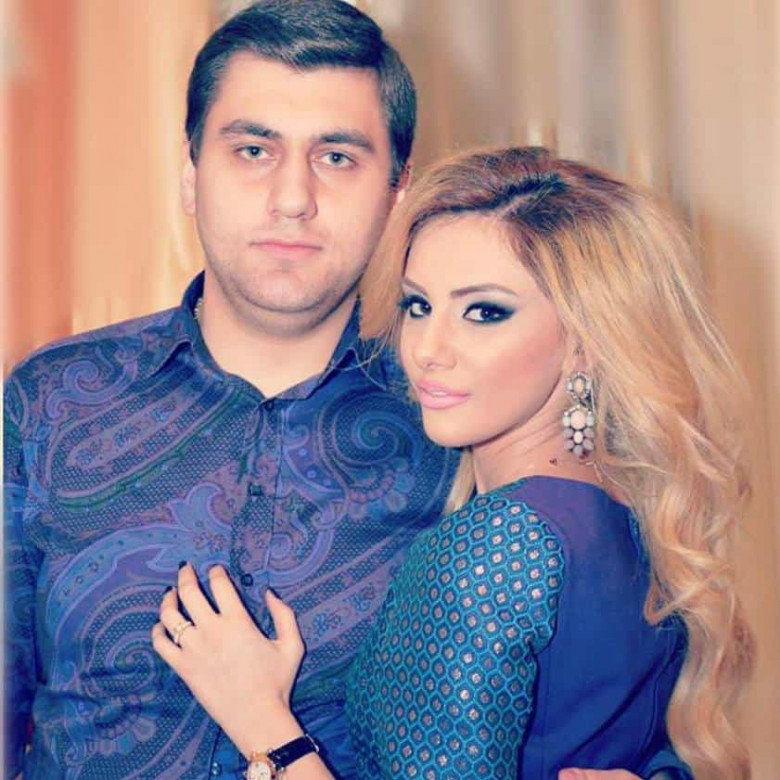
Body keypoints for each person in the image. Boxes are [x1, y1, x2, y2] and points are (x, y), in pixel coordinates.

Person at [3, 0, 689, 776]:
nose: (292, 197)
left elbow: (622, 691)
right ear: (192, 177)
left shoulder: (468, 414)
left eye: (336, 157)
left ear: (397, 194)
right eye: (253, 150)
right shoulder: (52, 399)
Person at [152, 148, 753, 779]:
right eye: (418, 306)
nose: (427, 349)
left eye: (484, 312)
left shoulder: (494, 546)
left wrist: (260, 721)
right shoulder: (632, 514)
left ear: (585, 343)